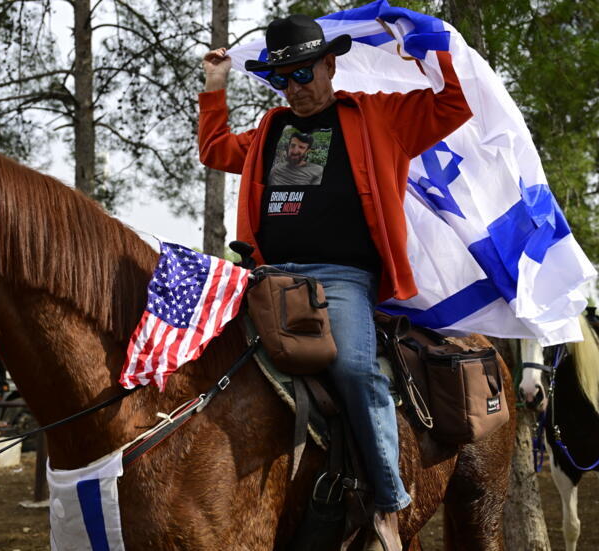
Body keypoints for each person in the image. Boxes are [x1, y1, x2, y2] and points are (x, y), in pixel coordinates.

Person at [199, 14, 471, 551]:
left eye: (304, 73)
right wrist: (214, 88)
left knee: (352, 366)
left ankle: (390, 500)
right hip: (268, 278)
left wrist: (431, 51)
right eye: (282, 79)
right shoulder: (274, 131)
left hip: (342, 280)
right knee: (206, 351)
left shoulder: (378, 116)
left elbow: (453, 106)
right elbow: (216, 150)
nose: (295, 88)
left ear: (329, 64)